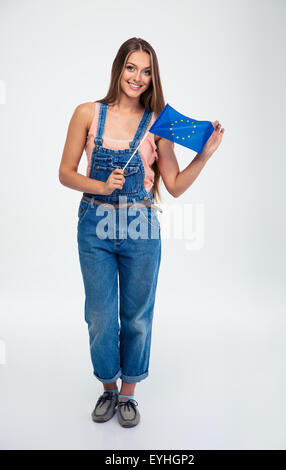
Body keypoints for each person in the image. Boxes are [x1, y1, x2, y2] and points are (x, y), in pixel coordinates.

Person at [58, 37, 224, 428]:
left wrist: (205, 153)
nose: (138, 77)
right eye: (132, 67)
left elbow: (175, 184)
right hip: (95, 225)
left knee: (136, 318)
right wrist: (101, 185)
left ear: (153, 77)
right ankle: (108, 388)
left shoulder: (158, 123)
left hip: (140, 227)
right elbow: (65, 173)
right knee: (100, 316)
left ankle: (129, 394)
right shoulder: (87, 113)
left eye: (146, 71)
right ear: (119, 68)